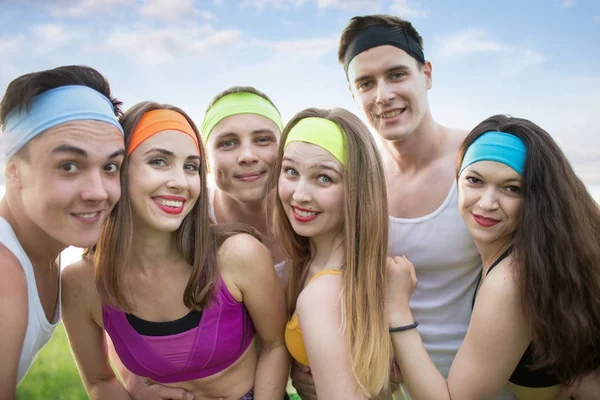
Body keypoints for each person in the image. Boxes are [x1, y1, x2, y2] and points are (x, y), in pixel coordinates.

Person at [290, 14, 486, 399]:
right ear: (352, 93)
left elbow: (569, 252)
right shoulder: (355, 184)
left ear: (426, 74)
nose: (382, 95)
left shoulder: (479, 161)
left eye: (397, 75)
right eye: (366, 83)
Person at [61, 102, 288, 399]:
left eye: (191, 167)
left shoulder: (237, 254)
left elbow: (275, 346)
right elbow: (99, 381)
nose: (180, 182)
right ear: (117, 170)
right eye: (158, 162)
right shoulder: (81, 283)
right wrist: (134, 389)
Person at [386, 114, 600, 399]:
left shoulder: (509, 279)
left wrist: (397, 308)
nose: (486, 204)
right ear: (457, 181)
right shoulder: (547, 251)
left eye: (511, 188)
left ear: (537, 198)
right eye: (474, 181)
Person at [0, 65, 124, 398]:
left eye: (110, 166)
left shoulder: (47, 255)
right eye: (69, 166)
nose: (98, 192)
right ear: (14, 171)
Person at [274, 108, 393, 398]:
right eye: (291, 171)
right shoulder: (313, 262)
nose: (300, 194)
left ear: (357, 190)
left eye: (324, 178)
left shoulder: (322, 296)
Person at [202, 86, 287, 282]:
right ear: (206, 159)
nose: (247, 156)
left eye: (263, 140)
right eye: (228, 143)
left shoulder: (315, 210)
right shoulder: (188, 222)